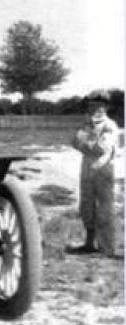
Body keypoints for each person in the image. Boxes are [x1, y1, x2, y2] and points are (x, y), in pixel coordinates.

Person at [67, 90, 119, 257]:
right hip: (87, 169)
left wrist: (85, 142)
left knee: (104, 208)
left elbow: (100, 148)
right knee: (87, 207)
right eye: (92, 106)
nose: (95, 109)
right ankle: (89, 243)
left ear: (106, 107)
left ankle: (106, 248)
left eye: (99, 106)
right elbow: (74, 141)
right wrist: (86, 141)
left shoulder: (109, 125)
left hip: (103, 170)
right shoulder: (87, 124)